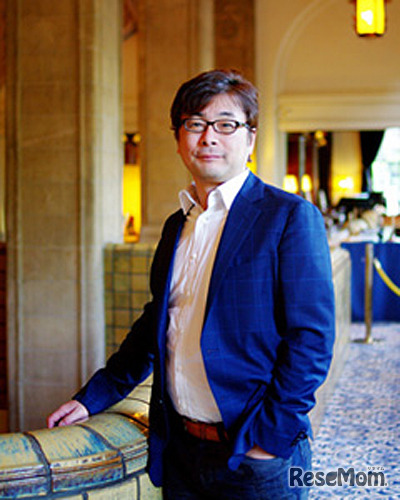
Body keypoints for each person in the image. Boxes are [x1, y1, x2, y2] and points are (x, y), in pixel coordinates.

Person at [48, 69, 335, 499]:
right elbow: (156, 322)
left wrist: (268, 440)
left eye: (226, 124)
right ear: (179, 139)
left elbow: (311, 339)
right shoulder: (176, 225)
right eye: (195, 123)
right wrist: (95, 396)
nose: (209, 137)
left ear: (250, 138)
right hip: (181, 450)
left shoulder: (287, 217)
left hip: (252, 452)